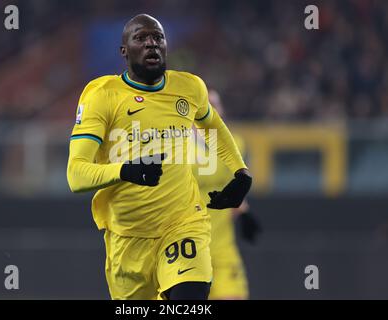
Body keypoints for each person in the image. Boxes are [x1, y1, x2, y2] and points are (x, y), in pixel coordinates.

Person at [66, 14, 252, 300]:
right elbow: (76, 175)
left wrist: (241, 172)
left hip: (182, 224)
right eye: (141, 38)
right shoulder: (101, 96)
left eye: (158, 38)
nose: (152, 44)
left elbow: (214, 127)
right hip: (128, 238)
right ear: (124, 51)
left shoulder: (189, 88)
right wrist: (125, 171)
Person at [193, 89, 261, 300]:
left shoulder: (236, 145)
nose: (212, 110)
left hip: (222, 248)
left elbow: (232, 188)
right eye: (206, 105)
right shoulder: (178, 150)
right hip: (189, 251)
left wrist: (243, 213)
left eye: (216, 104)